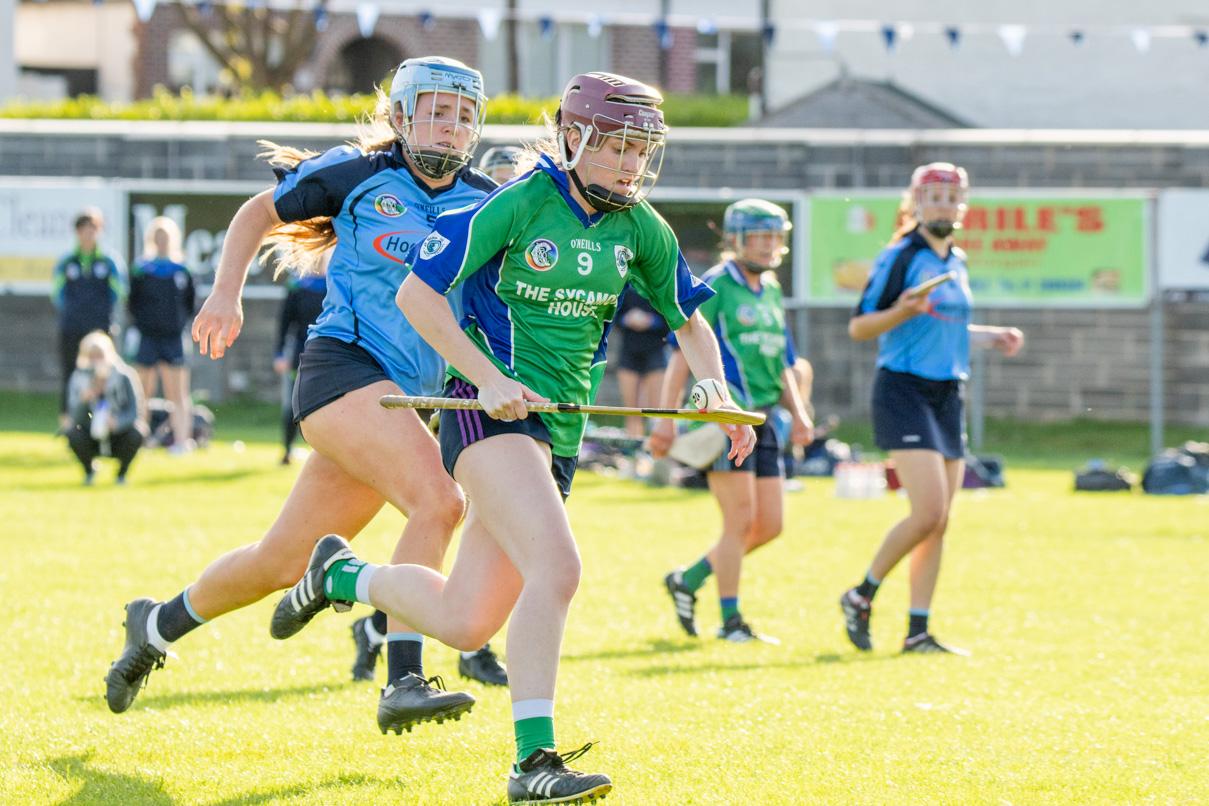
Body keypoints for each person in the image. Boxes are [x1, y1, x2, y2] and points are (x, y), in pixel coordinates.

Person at [270, 71, 756, 804]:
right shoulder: (520, 203)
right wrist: (484, 377)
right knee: (556, 569)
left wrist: (713, 388)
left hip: (556, 430)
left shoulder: (640, 228)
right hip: (485, 411)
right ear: (573, 138)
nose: (630, 163)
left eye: (641, 149)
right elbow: (417, 294)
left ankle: (336, 577)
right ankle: (534, 764)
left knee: (466, 623)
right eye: (617, 146)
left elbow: (688, 319)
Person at [104, 56, 507, 727]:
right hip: (342, 371)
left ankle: (154, 626)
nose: (452, 123)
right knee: (438, 502)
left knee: (280, 561)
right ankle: (403, 679)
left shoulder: (490, 201)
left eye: (464, 113)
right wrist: (225, 294)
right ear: (402, 117)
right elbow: (258, 211)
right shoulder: (356, 173)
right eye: (436, 109)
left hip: (407, 403)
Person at [839, 163, 1024, 655]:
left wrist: (992, 338)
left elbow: (944, 329)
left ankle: (918, 631)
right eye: (934, 197)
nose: (944, 206)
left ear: (962, 204)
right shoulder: (901, 254)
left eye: (952, 198)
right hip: (904, 390)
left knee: (940, 521)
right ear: (916, 203)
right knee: (927, 513)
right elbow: (860, 326)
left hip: (948, 394)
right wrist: (902, 310)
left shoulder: (956, 259)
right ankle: (861, 594)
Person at [651, 199, 814, 643]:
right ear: (736, 239)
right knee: (740, 522)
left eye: (774, 237)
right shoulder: (717, 283)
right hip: (725, 417)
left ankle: (689, 579)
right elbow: (682, 353)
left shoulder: (773, 290)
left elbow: (784, 361)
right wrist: (666, 420)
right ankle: (731, 622)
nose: (767, 246)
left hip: (766, 419)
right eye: (758, 237)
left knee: (770, 526)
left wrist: (798, 414)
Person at [52, 208, 127, 433]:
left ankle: (101, 422)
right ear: (77, 231)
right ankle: (68, 425)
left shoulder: (109, 260)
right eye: (84, 229)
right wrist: (76, 310)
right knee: (70, 373)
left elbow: (120, 291)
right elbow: (56, 293)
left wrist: (98, 310)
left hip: (101, 329)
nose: (88, 234)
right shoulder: (67, 261)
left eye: (93, 229)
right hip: (72, 327)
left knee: (103, 374)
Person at [129, 216, 196, 454]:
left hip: (174, 339)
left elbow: (189, 304)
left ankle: (182, 442)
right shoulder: (141, 269)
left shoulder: (182, 269)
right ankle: (139, 440)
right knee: (142, 392)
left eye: (165, 236)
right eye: (157, 236)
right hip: (148, 338)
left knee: (177, 393)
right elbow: (133, 303)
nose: (162, 241)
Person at [65, 331, 145, 485]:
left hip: (118, 433)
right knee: (72, 434)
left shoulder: (123, 376)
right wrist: (85, 401)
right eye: (92, 356)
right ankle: (89, 472)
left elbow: (135, 411)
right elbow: (74, 418)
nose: (96, 361)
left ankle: (121, 475)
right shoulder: (78, 379)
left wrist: (118, 422)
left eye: (99, 355)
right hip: (91, 431)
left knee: (138, 432)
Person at [273, 247, 329, 466]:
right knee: (295, 404)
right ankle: (287, 450)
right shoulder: (296, 286)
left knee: (327, 405)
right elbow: (284, 323)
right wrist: (279, 353)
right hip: (300, 353)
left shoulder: (334, 284)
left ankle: (325, 452)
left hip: (326, 354)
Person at [614, 289, 670, 439]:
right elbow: (614, 317)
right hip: (629, 351)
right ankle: (634, 456)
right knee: (631, 412)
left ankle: (654, 456)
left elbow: (669, 322)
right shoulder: (626, 286)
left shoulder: (658, 286)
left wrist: (650, 321)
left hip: (655, 351)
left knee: (656, 412)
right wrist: (628, 319)